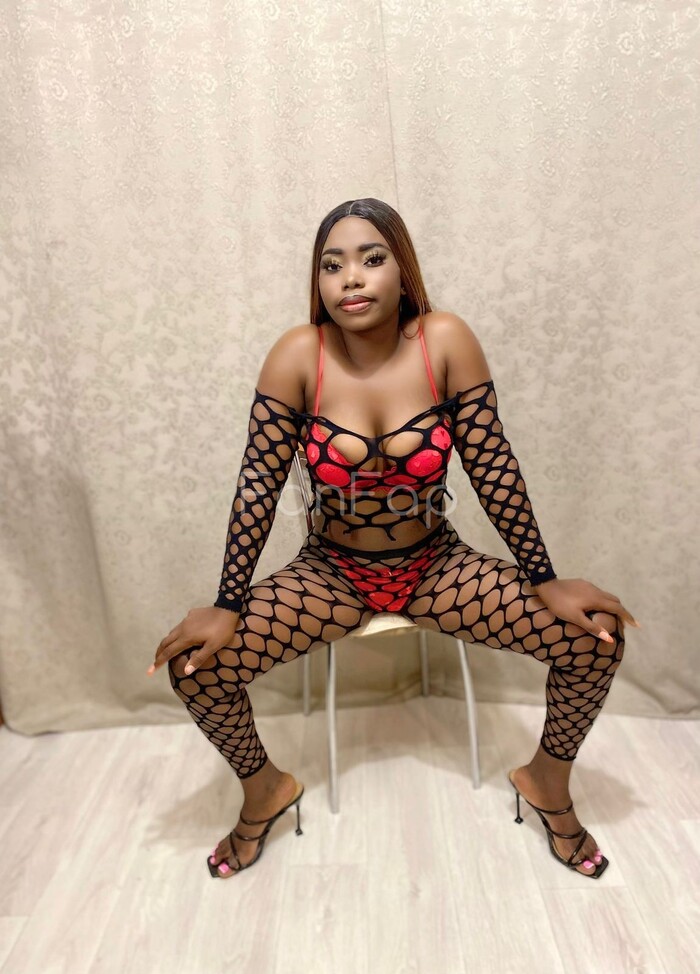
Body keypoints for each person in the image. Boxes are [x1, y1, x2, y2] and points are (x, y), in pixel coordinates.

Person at [149, 198, 638, 881]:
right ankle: (265, 790)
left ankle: (546, 781)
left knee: (595, 638)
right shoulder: (298, 354)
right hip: (332, 575)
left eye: (371, 258)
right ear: (318, 280)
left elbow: (493, 467)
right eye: (332, 265)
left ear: (402, 270)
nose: (351, 277)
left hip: (437, 568)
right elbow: (258, 483)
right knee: (194, 669)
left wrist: (545, 577)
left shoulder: (444, 340)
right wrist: (227, 603)